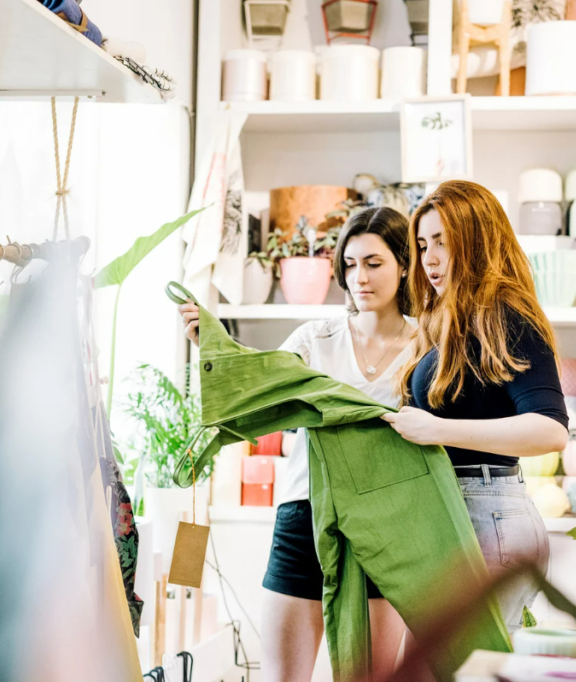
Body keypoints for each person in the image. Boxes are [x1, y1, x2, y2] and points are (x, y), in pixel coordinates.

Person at [178, 207, 416, 682]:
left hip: (384, 525)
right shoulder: (316, 338)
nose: (359, 278)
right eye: (349, 265)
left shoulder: (427, 348)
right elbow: (259, 385)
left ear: (404, 265)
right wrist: (216, 347)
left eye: (374, 263)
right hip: (304, 515)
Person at [382, 180, 570, 630]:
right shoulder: (452, 322)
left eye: (443, 242)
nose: (429, 259)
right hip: (462, 511)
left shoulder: (505, 314)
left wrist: (439, 430)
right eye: (423, 244)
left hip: (488, 515)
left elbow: (551, 430)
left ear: (477, 238)